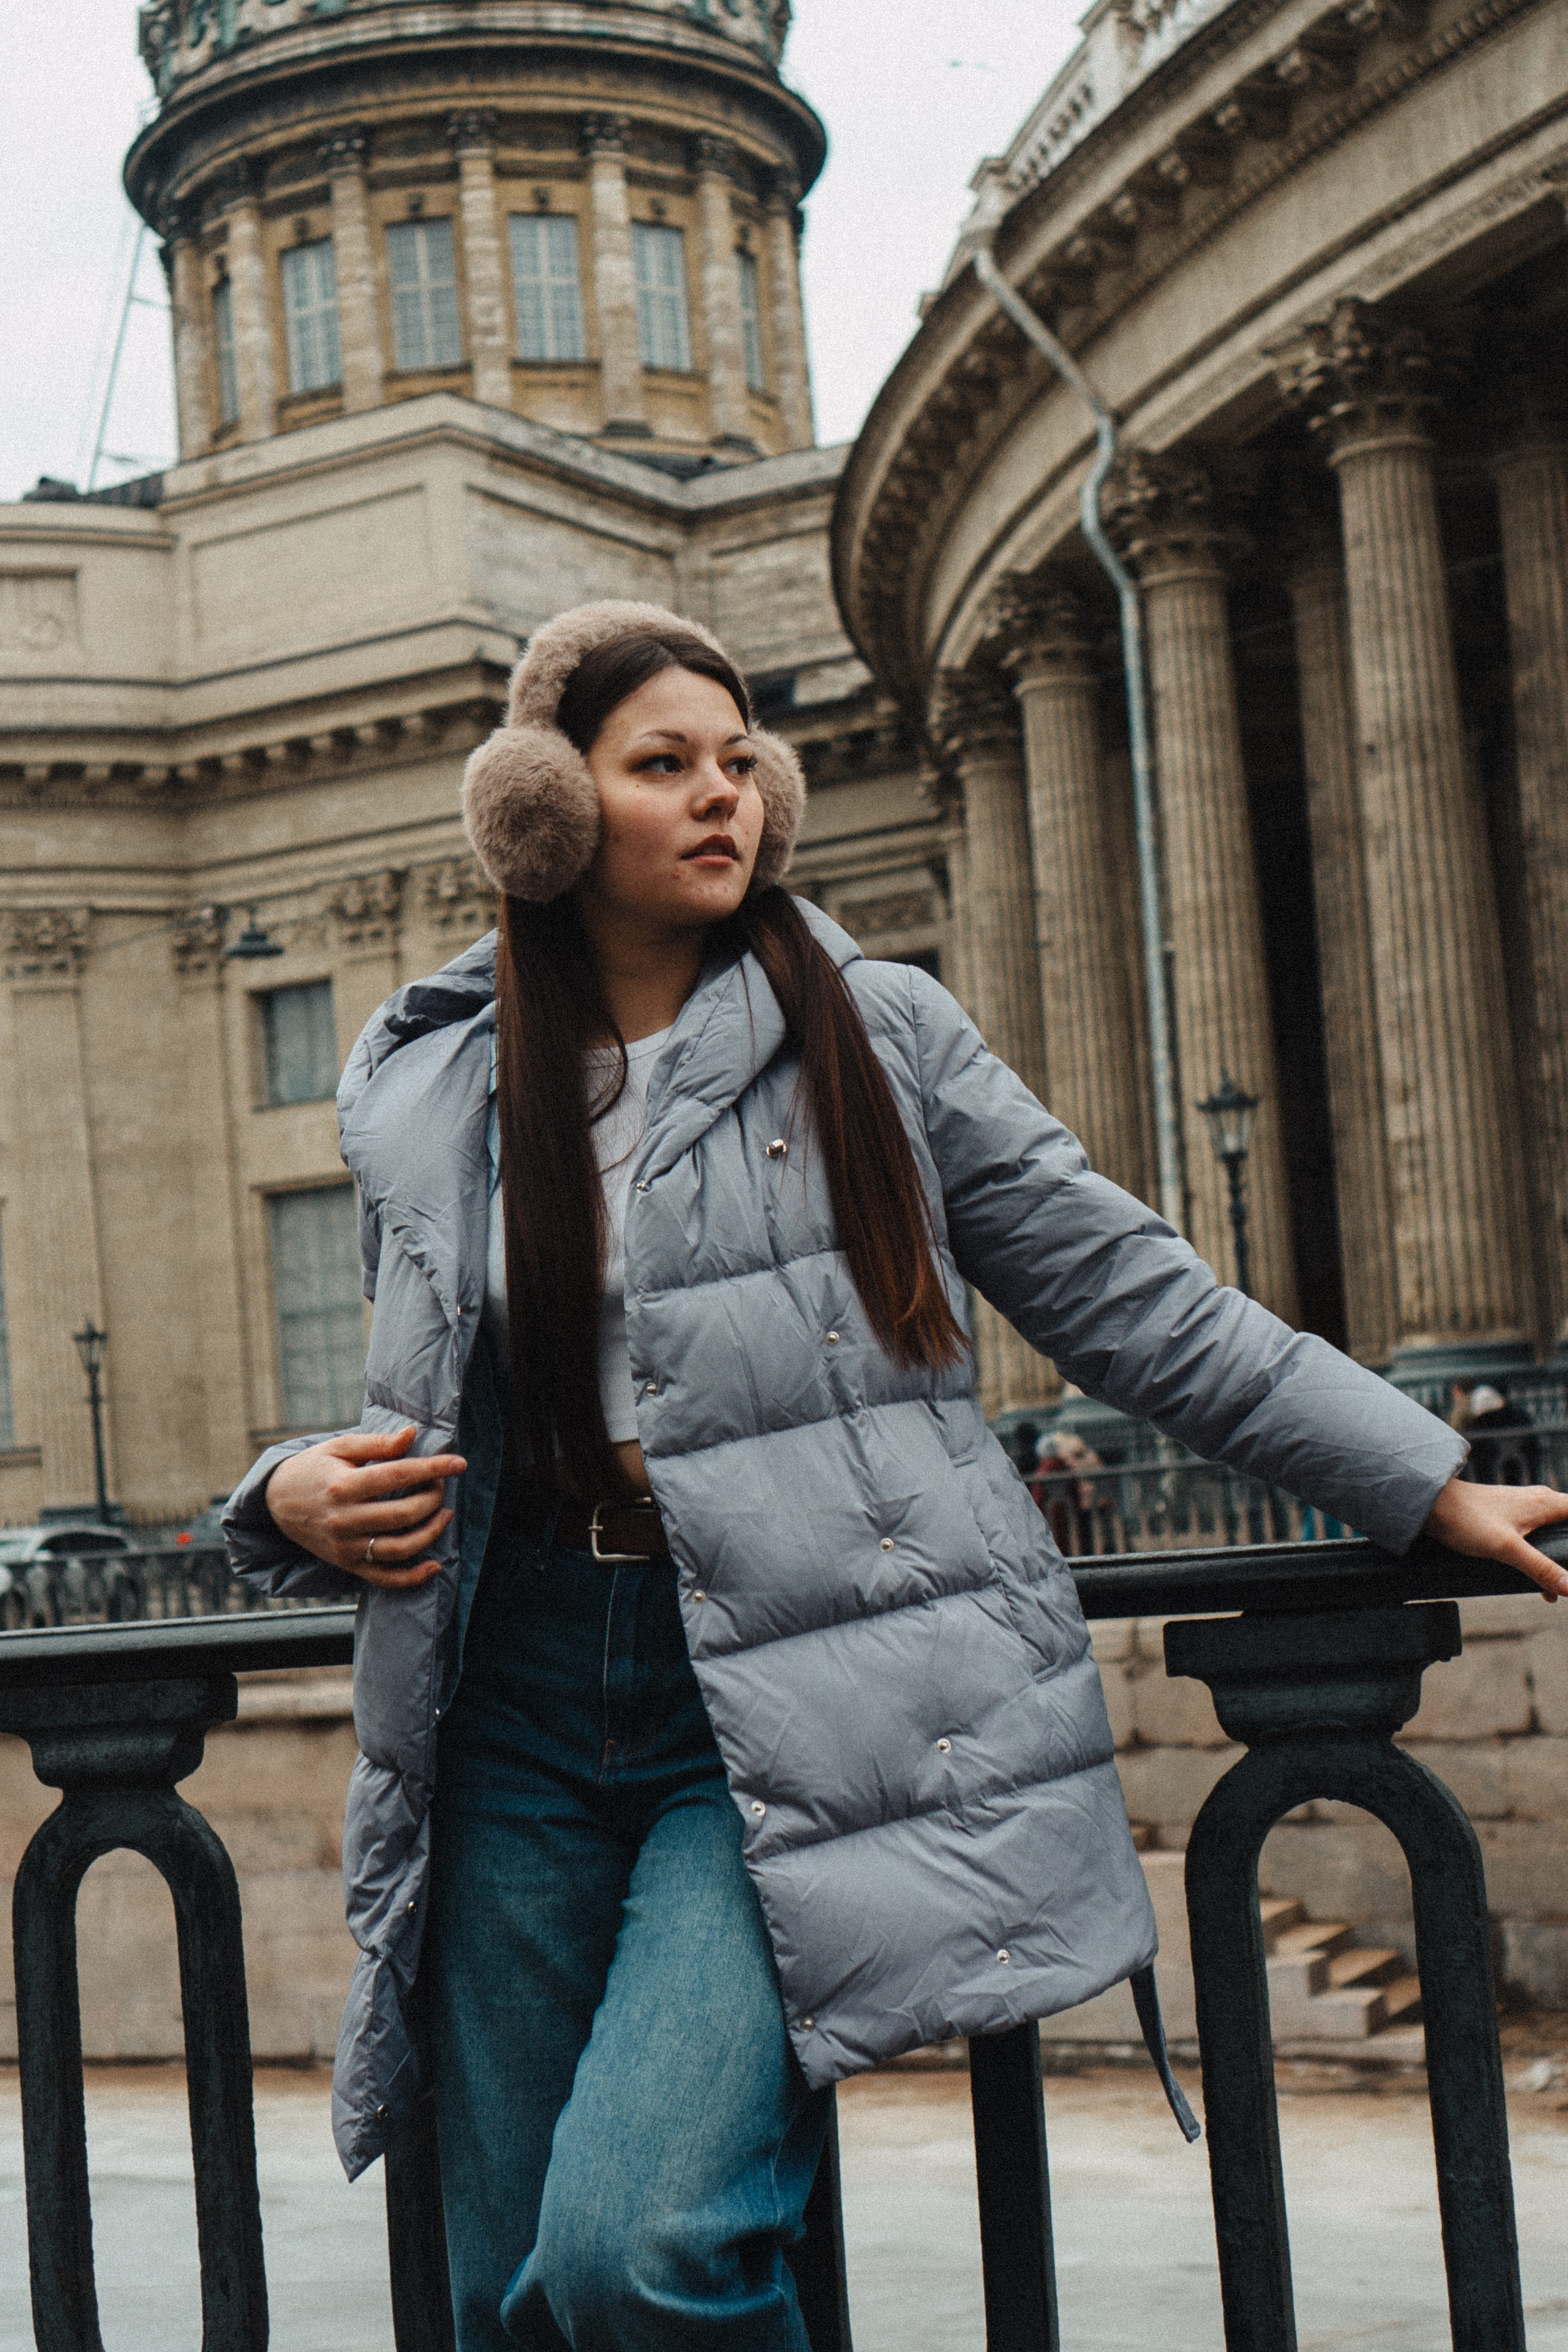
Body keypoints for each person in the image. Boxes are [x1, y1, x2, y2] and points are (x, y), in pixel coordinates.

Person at [224, 600, 1568, 2352]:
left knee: (638, 2247)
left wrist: (1416, 1476)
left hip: (797, 1693)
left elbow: (1124, 1293)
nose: (724, 798)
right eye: (664, 768)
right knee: (506, 2295)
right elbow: (404, 1401)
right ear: (545, 815)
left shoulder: (874, 1030)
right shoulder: (441, 1085)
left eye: (737, 763)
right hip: (509, 1699)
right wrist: (283, 1499)